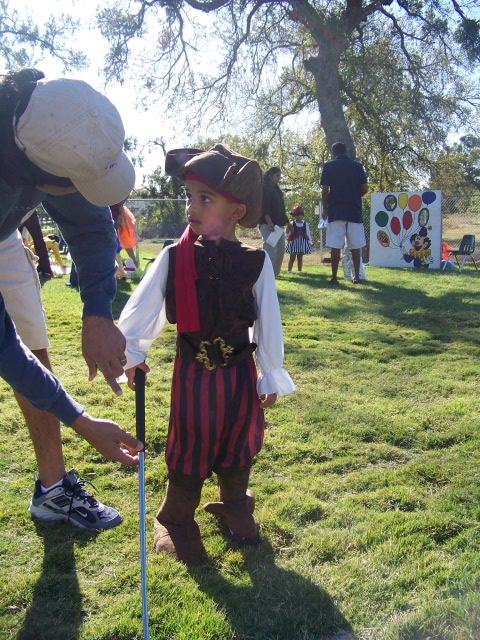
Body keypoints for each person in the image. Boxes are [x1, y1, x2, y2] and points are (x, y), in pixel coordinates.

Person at [118, 144, 296, 564]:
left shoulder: (254, 262)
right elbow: (146, 308)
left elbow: (266, 318)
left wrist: (268, 371)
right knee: (191, 441)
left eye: (204, 199)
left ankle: (234, 502)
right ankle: (176, 516)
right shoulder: (174, 257)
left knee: (241, 438)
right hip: (193, 375)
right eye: (189, 197)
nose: (190, 208)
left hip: (238, 374)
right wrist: (131, 351)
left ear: (236, 211)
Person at [0, 67, 138, 529]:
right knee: (18, 352)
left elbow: (89, 222)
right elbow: (3, 347)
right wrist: (83, 422)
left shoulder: (48, 121)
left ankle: (53, 488)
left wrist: (98, 312)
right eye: (74, 183)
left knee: (35, 344)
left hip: (4, 235)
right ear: (40, 175)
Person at [320, 142, 368, 285]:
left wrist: (325, 208)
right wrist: (353, 195)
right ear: (345, 151)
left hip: (336, 210)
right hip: (354, 210)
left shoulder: (329, 166)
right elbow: (365, 188)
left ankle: (334, 277)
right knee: (355, 246)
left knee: (335, 245)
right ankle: (356, 277)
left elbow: (325, 190)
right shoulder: (357, 166)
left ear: (333, 152)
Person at [258, 166, 290, 277]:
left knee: (280, 249)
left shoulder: (276, 189)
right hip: (269, 224)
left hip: (279, 224)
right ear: (270, 176)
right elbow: (264, 207)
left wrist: (288, 223)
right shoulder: (266, 188)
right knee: (270, 249)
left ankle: (274, 274)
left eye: (280, 175)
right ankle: (266, 274)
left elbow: (281, 208)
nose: (279, 178)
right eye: (277, 175)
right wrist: (269, 222)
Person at [285, 206, 312, 274]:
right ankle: (289, 270)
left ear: (303, 216)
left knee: (300, 257)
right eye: (297, 215)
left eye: (300, 215)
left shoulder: (305, 224)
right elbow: (287, 234)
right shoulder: (291, 223)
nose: (299, 216)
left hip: (302, 243)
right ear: (294, 216)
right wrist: (287, 230)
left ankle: (299, 271)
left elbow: (308, 233)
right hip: (294, 243)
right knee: (292, 258)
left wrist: (309, 241)